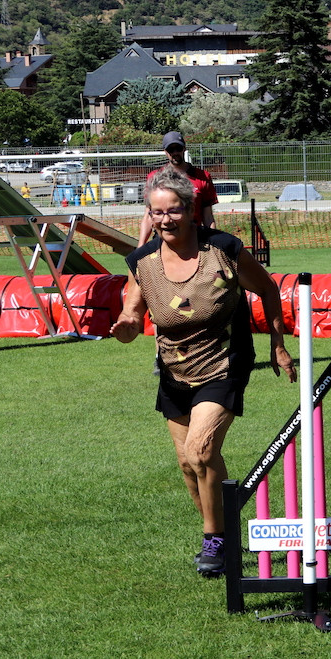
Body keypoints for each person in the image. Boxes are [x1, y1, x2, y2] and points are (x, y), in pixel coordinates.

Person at [111, 167, 296, 577]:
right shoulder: (142, 262)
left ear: (191, 210)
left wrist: (278, 345)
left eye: (173, 211)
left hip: (224, 362)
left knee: (201, 451)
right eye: (156, 212)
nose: (164, 220)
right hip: (174, 369)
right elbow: (131, 314)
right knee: (186, 464)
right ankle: (223, 536)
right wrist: (125, 326)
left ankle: (214, 540)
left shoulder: (223, 249)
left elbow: (267, 288)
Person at [137, 131, 218, 247]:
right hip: (164, 238)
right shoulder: (155, 177)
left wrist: (213, 244)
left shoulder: (202, 177)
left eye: (178, 148)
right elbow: (148, 216)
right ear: (165, 152)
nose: (175, 153)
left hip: (194, 238)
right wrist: (140, 247)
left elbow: (208, 217)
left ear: (184, 148)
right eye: (171, 150)